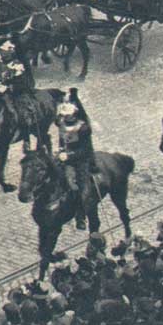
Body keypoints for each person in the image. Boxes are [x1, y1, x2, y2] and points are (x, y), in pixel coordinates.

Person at [55, 95, 96, 230]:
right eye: (64, 116)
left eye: (67, 116)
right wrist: (61, 151)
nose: (65, 118)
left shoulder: (83, 128)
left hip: (80, 159)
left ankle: (80, 215)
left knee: (78, 186)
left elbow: (86, 149)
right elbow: (63, 140)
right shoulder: (63, 124)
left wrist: (69, 156)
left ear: (74, 115)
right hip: (65, 156)